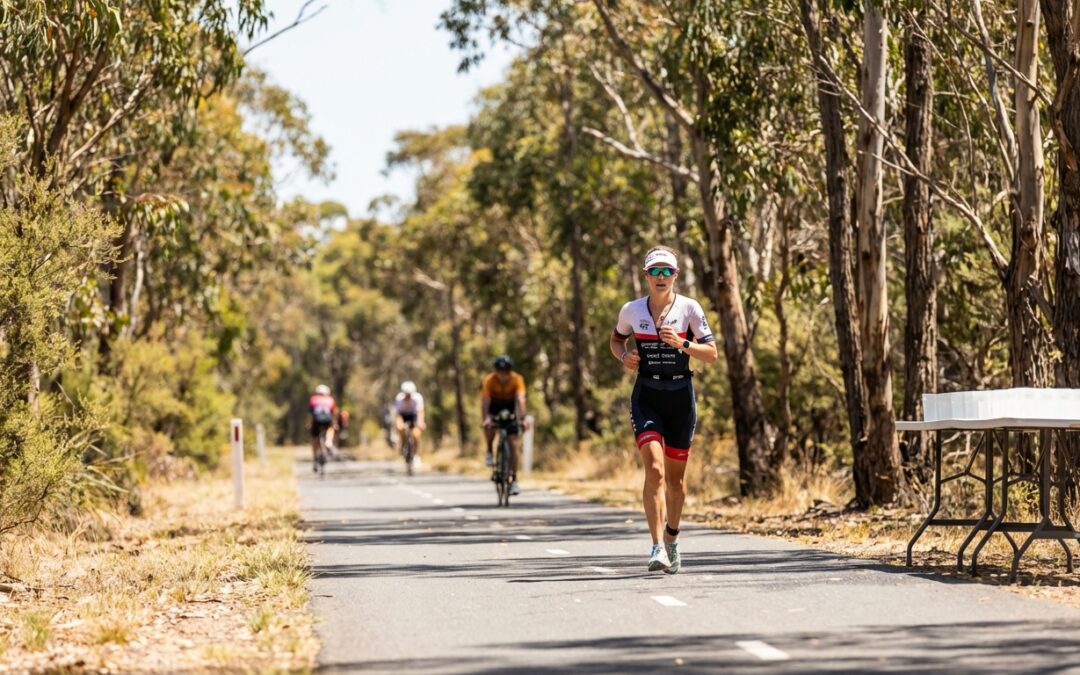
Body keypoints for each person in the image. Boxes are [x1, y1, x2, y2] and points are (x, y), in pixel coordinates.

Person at [609, 245, 717, 574]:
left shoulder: (689, 309)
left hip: (681, 397)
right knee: (654, 470)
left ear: (675, 276)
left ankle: (672, 536)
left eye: (666, 271)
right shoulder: (631, 310)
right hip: (647, 395)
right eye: (654, 271)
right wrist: (623, 356)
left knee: (676, 482)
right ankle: (657, 546)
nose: (660, 277)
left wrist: (682, 344)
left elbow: (711, 353)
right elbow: (616, 340)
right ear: (645, 276)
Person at [481, 355, 529, 496]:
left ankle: (514, 479)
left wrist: (523, 418)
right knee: (489, 428)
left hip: (509, 409)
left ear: (510, 371)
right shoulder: (489, 380)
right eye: (500, 371)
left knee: (513, 443)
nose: (503, 374)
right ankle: (489, 450)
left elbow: (520, 399)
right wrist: (486, 419)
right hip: (494, 408)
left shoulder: (517, 379)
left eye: (506, 371)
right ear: (495, 371)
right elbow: (485, 401)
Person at [307, 384, 339, 470]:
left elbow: (310, 414)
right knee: (330, 428)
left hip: (316, 420)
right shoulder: (330, 400)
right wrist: (334, 424)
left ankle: (314, 461)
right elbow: (334, 413)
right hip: (327, 420)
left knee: (314, 439)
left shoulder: (313, 399)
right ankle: (329, 442)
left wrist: (309, 424)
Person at [394, 381, 426, 466]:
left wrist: (420, 423)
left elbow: (420, 413)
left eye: (410, 394)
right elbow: (398, 415)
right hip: (403, 415)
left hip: (414, 415)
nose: (408, 396)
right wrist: (399, 424)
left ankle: (416, 454)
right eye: (406, 394)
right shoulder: (399, 399)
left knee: (416, 434)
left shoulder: (418, 398)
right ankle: (403, 445)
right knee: (401, 430)